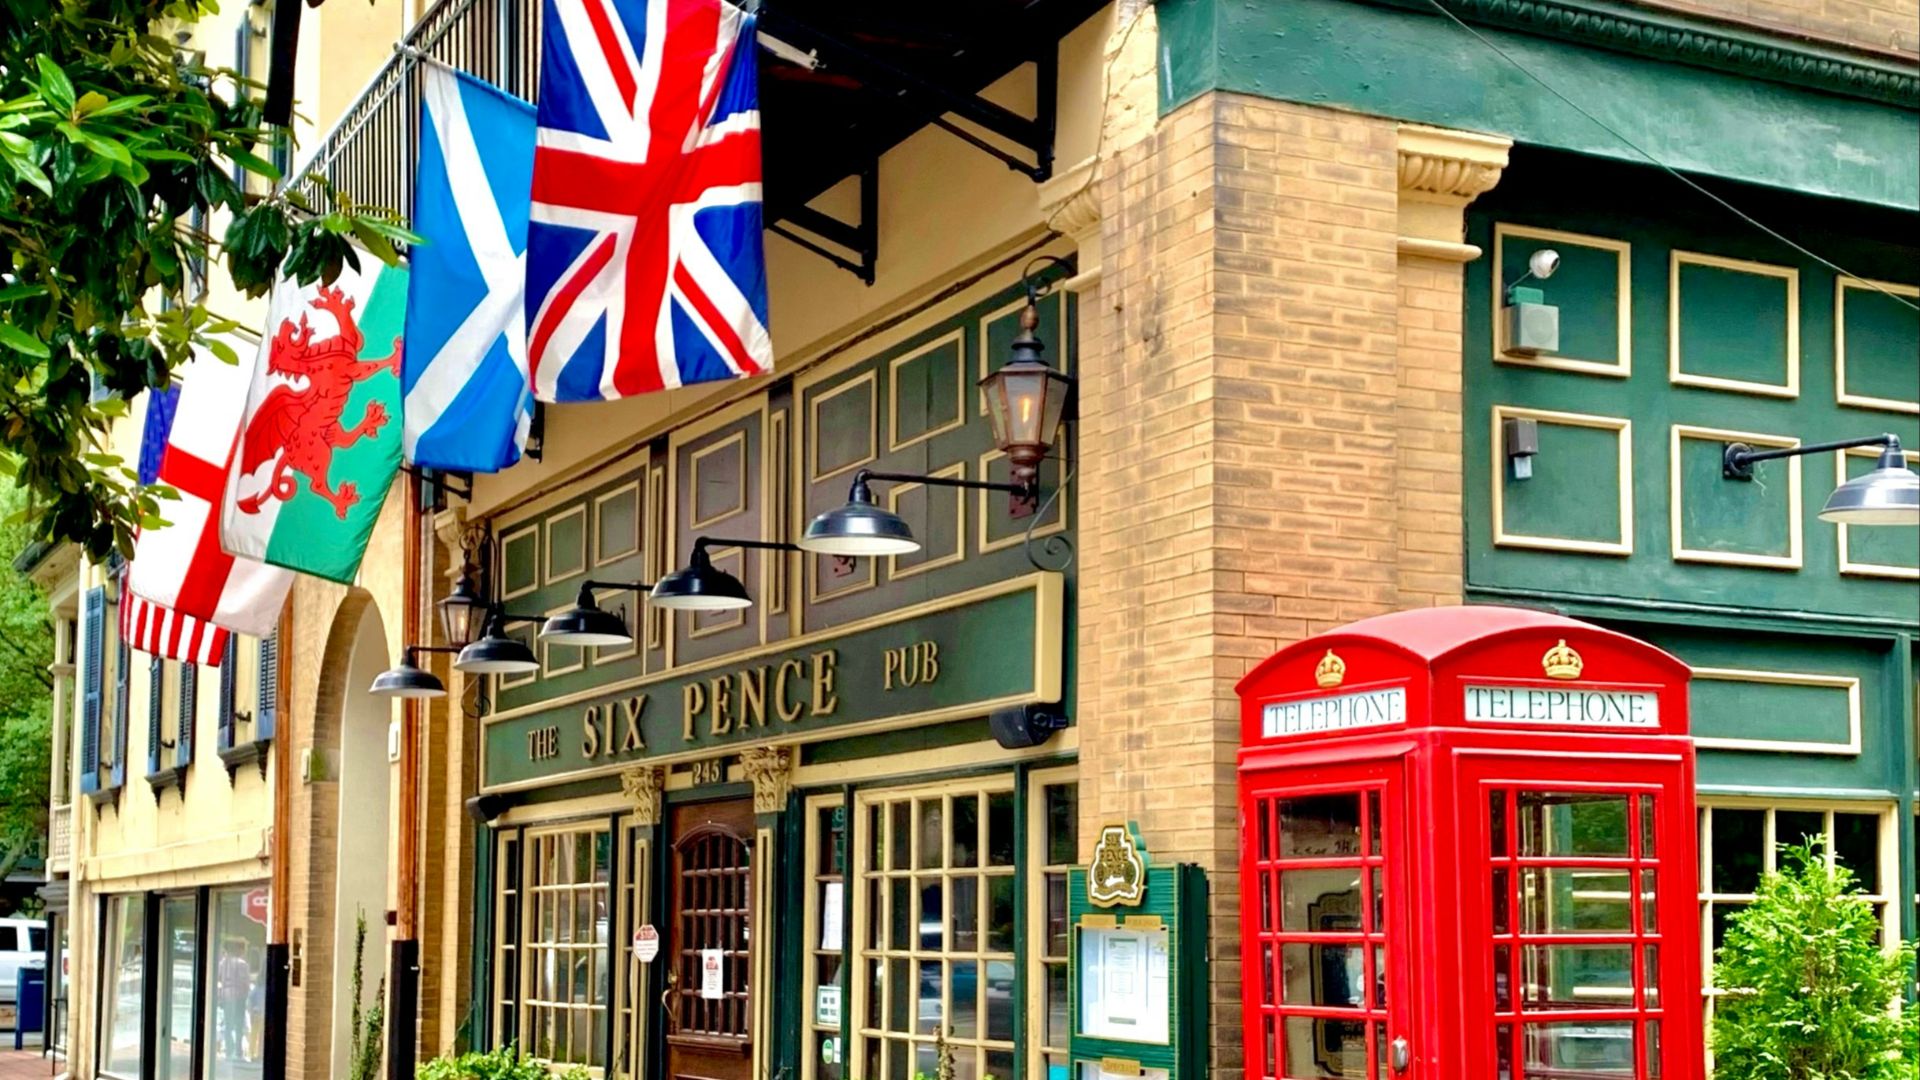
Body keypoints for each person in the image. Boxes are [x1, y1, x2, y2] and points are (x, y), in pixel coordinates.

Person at [217, 938, 251, 1062]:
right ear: (239, 950)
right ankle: (238, 1051)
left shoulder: (222, 963)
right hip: (239, 996)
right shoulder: (242, 964)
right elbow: (245, 983)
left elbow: (219, 980)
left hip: (226, 995)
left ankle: (229, 1050)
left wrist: (220, 995)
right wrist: (246, 996)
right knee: (239, 1024)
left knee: (228, 1023)